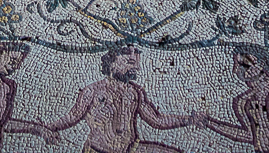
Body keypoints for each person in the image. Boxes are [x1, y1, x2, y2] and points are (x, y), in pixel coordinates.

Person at [48, 46, 202, 153]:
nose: (137, 68)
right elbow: (72, 117)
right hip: (100, 150)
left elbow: (157, 120)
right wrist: (47, 129)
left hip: (130, 149)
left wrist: (189, 120)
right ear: (112, 63)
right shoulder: (92, 91)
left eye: (137, 64)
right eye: (130, 63)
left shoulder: (134, 93)